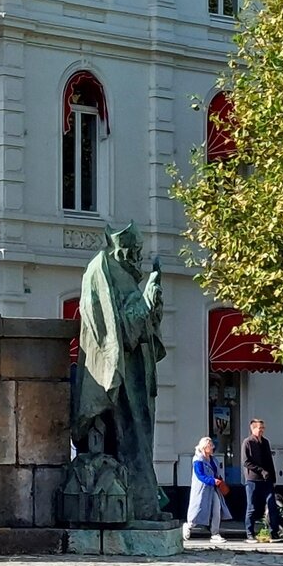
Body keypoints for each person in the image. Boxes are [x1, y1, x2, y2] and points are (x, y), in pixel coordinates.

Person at [71, 221, 167, 521]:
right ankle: (141, 503)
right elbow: (114, 332)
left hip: (138, 369)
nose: (136, 255)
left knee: (140, 434)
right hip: (123, 372)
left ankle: (144, 501)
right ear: (118, 249)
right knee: (131, 434)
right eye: (131, 250)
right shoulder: (101, 272)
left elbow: (142, 327)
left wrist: (152, 302)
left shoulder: (125, 276)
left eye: (137, 250)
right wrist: (146, 303)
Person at [241, 418, 282, 542]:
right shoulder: (247, 442)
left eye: (263, 428)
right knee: (252, 506)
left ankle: (274, 533)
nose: (262, 430)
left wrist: (273, 477)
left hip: (267, 480)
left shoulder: (265, 442)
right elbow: (246, 462)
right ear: (253, 429)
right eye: (260, 428)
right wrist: (260, 471)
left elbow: (269, 460)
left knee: (272, 505)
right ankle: (250, 533)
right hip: (253, 479)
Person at [184, 436, 228, 545]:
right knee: (198, 508)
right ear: (204, 447)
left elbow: (216, 472)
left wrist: (220, 481)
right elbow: (200, 475)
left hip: (213, 489)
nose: (212, 448)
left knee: (217, 509)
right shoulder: (198, 460)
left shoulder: (213, 459)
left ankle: (215, 533)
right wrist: (213, 480)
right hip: (201, 490)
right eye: (210, 446)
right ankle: (189, 526)